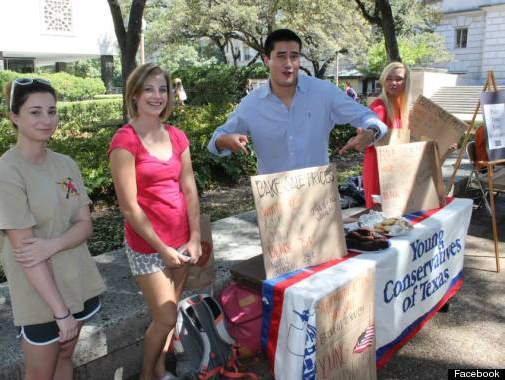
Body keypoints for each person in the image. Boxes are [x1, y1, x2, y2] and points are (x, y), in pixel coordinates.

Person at [0, 78, 106, 380]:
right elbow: (27, 253)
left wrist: (51, 244)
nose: (47, 120)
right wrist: (60, 312)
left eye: (52, 111)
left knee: (66, 356)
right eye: (35, 112)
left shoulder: (66, 164)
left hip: (76, 278)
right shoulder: (5, 176)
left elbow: (85, 225)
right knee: (40, 373)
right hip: (39, 293)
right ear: (14, 116)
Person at [108, 63, 201, 380]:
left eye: (162, 89)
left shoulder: (176, 136)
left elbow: (189, 188)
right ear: (134, 93)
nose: (157, 95)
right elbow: (129, 208)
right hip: (148, 246)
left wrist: (196, 236)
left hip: (182, 240)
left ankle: (161, 370)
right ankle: (148, 375)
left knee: (170, 313)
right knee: (164, 315)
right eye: (148, 88)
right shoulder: (125, 141)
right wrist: (162, 249)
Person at [207, 28, 387, 176]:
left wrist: (371, 132)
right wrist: (223, 140)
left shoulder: (324, 92)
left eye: (294, 56)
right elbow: (216, 139)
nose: (289, 64)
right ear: (266, 60)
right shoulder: (251, 104)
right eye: (281, 56)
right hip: (274, 203)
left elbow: (369, 118)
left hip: (319, 199)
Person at [362, 62, 411, 209]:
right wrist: (366, 131)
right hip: (378, 168)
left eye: (398, 79)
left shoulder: (403, 109)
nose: (393, 83)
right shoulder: (379, 105)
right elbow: (371, 122)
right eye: (389, 79)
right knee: (378, 216)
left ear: (406, 81)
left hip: (397, 168)